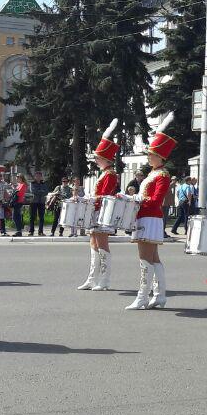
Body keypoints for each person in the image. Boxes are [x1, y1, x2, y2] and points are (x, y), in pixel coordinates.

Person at [125, 113, 176, 310]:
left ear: (160, 156)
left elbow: (156, 200)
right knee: (153, 259)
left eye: (151, 154)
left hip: (150, 217)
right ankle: (160, 295)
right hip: (146, 216)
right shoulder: (153, 173)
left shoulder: (162, 174)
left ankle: (142, 297)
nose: (148, 157)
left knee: (145, 259)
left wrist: (137, 198)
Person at [78, 119, 120, 292]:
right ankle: (91, 278)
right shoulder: (105, 173)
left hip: (103, 212)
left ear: (105, 158)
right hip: (96, 211)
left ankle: (105, 279)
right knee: (93, 245)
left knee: (102, 246)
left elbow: (106, 195)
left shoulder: (110, 174)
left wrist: (91, 198)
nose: (95, 160)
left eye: (97, 157)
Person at [27, 171, 49, 236]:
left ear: (41, 177)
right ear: (35, 177)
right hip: (33, 201)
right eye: (37, 176)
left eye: (39, 176)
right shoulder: (32, 183)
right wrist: (41, 191)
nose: (38, 177)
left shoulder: (44, 184)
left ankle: (40, 231)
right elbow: (33, 191)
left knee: (41, 217)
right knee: (32, 217)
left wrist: (39, 192)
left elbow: (46, 192)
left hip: (41, 202)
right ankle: (31, 231)